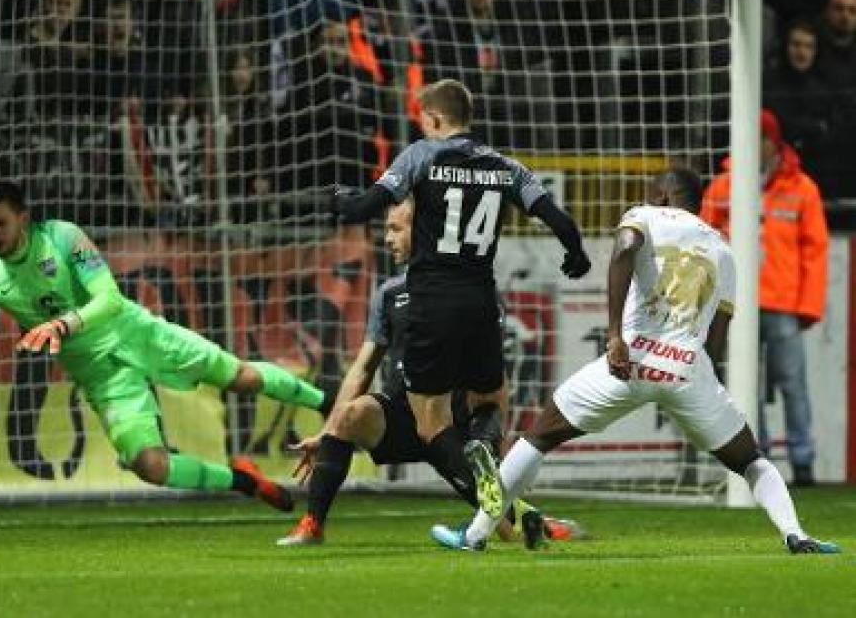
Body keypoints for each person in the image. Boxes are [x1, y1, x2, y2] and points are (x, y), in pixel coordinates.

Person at [0, 180, 334, 510]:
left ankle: (331, 405)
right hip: (103, 377)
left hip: (137, 333)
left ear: (23, 217)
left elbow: (108, 297)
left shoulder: (63, 238)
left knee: (243, 379)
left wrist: (63, 325)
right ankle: (244, 480)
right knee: (151, 466)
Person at [432, 168, 838, 555]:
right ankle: (795, 534)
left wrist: (614, 335)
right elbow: (718, 335)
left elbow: (626, 248)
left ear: (662, 195)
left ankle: (474, 535)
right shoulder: (723, 249)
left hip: (630, 362)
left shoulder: (645, 215)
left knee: (539, 436)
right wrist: (697, 379)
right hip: (687, 370)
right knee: (752, 462)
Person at [331, 79, 591, 520]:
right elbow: (560, 220)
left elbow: (361, 209)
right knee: (489, 399)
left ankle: (486, 488)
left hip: (432, 300)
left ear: (432, 118)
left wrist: (337, 200)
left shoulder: (421, 156)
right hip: (483, 302)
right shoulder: (505, 166)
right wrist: (576, 256)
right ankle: (483, 449)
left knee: (429, 420)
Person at [277, 198, 585, 546]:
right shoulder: (389, 293)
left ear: (423, 232)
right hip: (401, 416)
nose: (387, 238)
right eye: (386, 230)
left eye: (396, 229)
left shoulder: (467, 289)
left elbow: (493, 372)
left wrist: (492, 426)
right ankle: (312, 525)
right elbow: (363, 366)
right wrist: (329, 430)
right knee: (352, 415)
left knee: (505, 531)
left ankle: (535, 522)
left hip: (451, 421)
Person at [700, 110, 829, 487]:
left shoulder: (802, 188)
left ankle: (803, 463)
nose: (754, 144)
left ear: (774, 142)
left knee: (793, 384)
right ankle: (758, 461)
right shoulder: (723, 186)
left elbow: (815, 252)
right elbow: (704, 241)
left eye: (761, 137)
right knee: (744, 387)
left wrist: (808, 307)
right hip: (735, 303)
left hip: (783, 302)